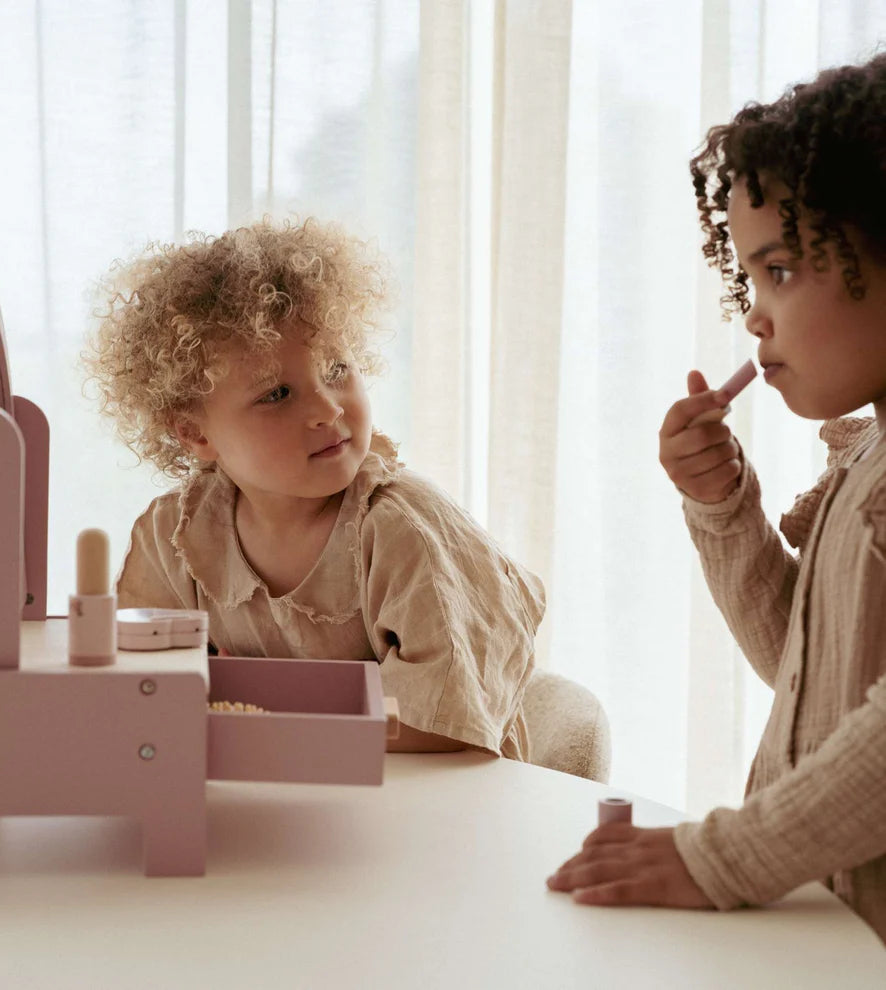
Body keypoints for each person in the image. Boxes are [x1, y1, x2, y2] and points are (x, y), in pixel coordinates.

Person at [547, 51, 886, 942]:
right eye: (750, 276)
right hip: (829, 934)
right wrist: (724, 509)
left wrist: (721, 858)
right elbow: (811, 676)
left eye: (780, 270)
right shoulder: (869, 457)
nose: (754, 317)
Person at [84, 218, 545, 758]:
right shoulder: (178, 536)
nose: (328, 409)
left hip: (434, 803)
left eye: (337, 369)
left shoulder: (403, 531)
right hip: (282, 800)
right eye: (278, 393)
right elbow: (145, 684)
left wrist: (266, 726)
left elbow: (443, 721)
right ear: (194, 432)